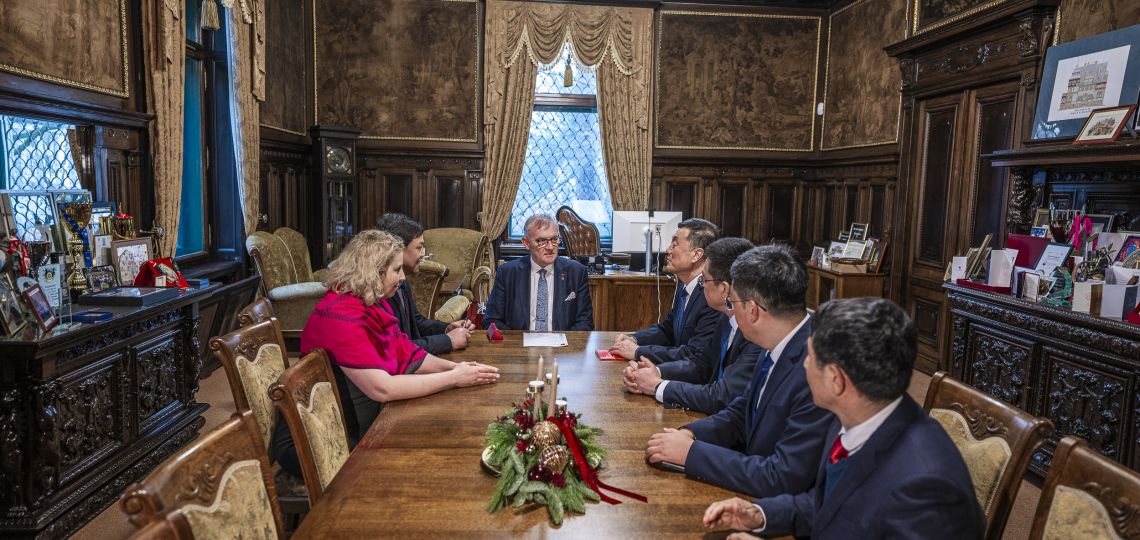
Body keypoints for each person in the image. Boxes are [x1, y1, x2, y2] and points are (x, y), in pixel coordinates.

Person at [703, 298, 984, 540]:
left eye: (811, 358)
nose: (803, 364)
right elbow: (833, 504)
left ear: (836, 380)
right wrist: (761, 514)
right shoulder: (856, 415)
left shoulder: (926, 491)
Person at [271, 230, 499, 479]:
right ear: (374, 272)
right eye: (396, 270)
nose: (402, 277)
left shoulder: (367, 301)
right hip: (315, 443)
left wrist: (459, 369)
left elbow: (408, 352)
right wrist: (454, 378)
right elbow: (383, 389)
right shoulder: (341, 316)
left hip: (350, 419)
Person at [644, 244, 831, 498]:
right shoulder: (777, 337)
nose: (730, 311)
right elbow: (745, 408)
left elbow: (782, 477)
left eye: (733, 303)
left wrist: (692, 453)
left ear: (752, 310)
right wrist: (692, 433)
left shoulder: (817, 368)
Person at [623, 237, 762, 414]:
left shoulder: (755, 334)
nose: (701, 286)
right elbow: (700, 365)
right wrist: (653, 372)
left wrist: (658, 386)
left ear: (725, 289)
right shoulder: (726, 319)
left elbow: (722, 397)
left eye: (704, 280)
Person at [609, 218, 722, 366]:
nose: (668, 250)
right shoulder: (684, 287)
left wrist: (637, 351)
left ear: (696, 255)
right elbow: (667, 329)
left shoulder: (711, 296)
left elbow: (693, 354)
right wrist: (634, 339)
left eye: (675, 244)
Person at [375, 213, 475, 355]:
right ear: (397, 248)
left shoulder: (401, 282)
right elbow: (397, 349)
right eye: (419, 247)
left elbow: (417, 322)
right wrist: (448, 341)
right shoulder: (379, 290)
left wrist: (447, 329)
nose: (424, 253)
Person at [483, 214, 593, 331]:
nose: (550, 247)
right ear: (526, 243)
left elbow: (585, 322)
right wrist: (515, 344)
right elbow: (491, 321)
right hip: (520, 345)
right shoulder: (507, 273)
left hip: (562, 345)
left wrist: (563, 345)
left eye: (554, 239)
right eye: (541, 241)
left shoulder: (576, 272)